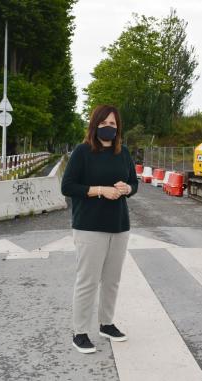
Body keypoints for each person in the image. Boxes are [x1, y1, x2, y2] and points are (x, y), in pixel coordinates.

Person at [61, 104, 138, 354]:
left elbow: (134, 183)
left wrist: (127, 189)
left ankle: (106, 324)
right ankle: (80, 331)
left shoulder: (123, 152)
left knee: (112, 281)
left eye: (113, 124)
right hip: (89, 226)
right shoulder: (82, 152)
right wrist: (99, 190)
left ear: (118, 128)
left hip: (119, 225)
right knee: (88, 281)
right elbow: (68, 186)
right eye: (104, 124)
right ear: (95, 125)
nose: (109, 128)